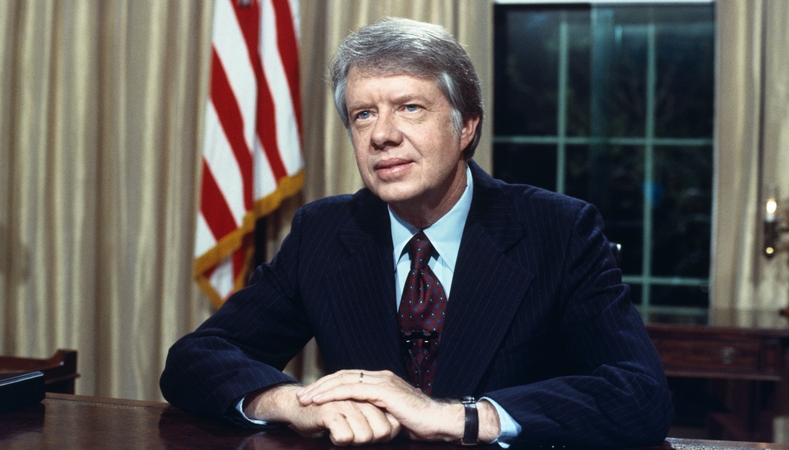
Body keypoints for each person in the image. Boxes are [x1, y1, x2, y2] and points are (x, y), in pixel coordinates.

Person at [161, 17, 673, 448]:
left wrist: (460, 417)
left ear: (466, 126)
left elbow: (640, 393)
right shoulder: (324, 230)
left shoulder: (557, 230)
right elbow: (194, 360)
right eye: (364, 115)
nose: (383, 134)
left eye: (410, 108)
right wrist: (294, 402)